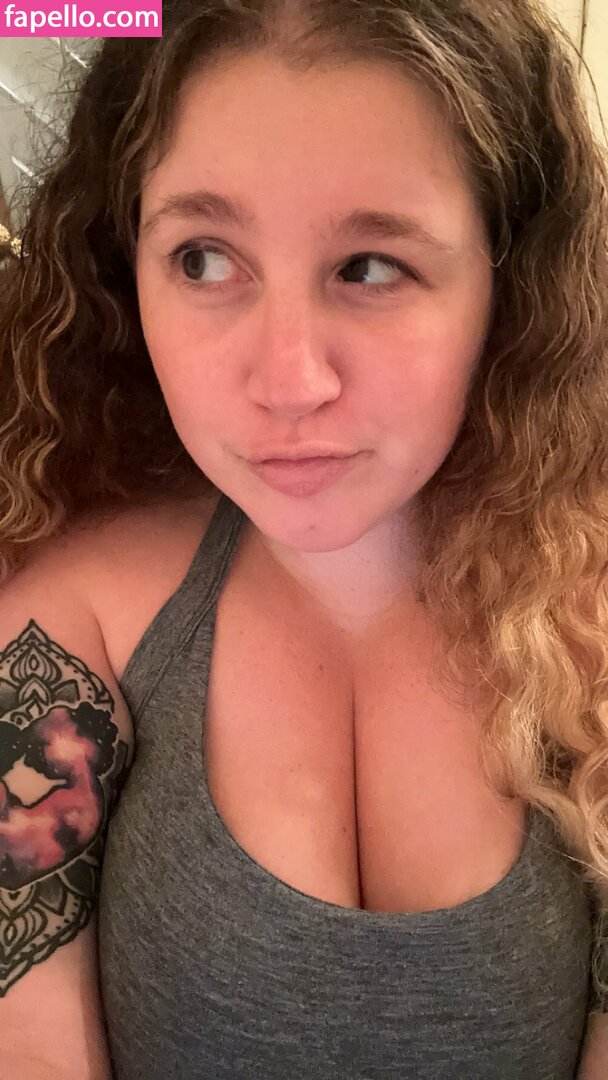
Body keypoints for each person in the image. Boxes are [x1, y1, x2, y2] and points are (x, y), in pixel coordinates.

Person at [0, 0, 607, 1076]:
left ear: (505, 286)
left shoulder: (590, 627)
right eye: (202, 259)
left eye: (370, 266)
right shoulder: (70, 625)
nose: (288, 382)